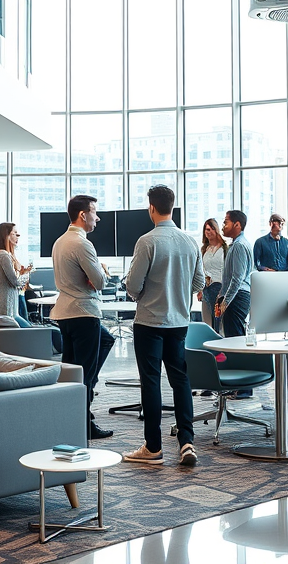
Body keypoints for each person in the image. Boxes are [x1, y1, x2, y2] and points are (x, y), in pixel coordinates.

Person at [122, 185, 206, 467]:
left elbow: (133, 285)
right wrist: (179, 294)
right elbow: (200, 283)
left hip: (149, 321)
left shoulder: (147, 241)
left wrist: (139, 293)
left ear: (151, 208)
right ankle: (187, 442)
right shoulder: (189, 241)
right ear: (172, 206)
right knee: (181, 379)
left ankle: (154, 448)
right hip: (179, 321)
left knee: (151, 381)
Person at [51, 194, 116, 439]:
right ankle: (84, 424)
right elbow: (98, 282)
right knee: (84, 374)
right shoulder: (82, 243)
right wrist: (102, 270)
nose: (97, 218)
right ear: (82, 215)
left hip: (66, 315)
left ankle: (70, 417)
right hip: (83, 313)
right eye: (94, 212)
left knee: (77, 367)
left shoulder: (59, 242)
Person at [214, 210, 254, 396]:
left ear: (237, 225)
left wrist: (226, 301)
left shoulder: (238, 246)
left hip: (238, 297)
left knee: (235, 341)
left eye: (226, 222)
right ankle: (242, 386)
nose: (223, 226)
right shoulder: (238, 244)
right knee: (235, 339)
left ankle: (243, 387)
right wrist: (221, 298)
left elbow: (237, 279)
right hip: (237, 296)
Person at [0, 223, 34, 320]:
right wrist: (27, 274)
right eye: (15, 233)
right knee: (27, 330)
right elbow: (16, 282)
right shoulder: (4, 255)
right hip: (5, 310)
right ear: (7, 236)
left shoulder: (3, 254)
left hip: (7, 309)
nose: (18, 236)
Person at [198, 218, 227, 332]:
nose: (208, 232)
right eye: (206, 229)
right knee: (207, 322)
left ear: (216, 230)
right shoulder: (204, 249)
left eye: (211, 229)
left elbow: (227, 270)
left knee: (220, 322)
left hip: (220, 287)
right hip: (207, 288)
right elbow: (202, 270)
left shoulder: (225, 248)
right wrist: (200, 289)